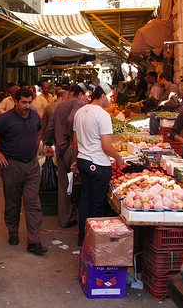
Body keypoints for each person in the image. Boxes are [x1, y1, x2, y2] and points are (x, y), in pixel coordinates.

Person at [0, 88, 47, 255]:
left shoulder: (34, 115)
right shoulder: (5, 119)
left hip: (31, 166)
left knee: (33, 204)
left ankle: (34, 241)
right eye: (23, 102)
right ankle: (13, 232)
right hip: (12, 166)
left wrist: (37, 144)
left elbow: (40, 127)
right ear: (15, 101)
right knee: (13, 202)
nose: (27, 106)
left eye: (29, 102)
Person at [71, 83, 123, 247]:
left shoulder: (80, 112)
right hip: (98, 164)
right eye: (111, 97)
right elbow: (106, 146)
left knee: (85, 200)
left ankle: (83, 239)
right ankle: (96, 242)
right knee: (98, 203)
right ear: (102, 96)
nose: (112, 100)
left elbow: (75, 140)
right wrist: (119, 159)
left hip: (83, 160)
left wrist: (76, 160)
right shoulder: (103, 115)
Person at [43, 84, 91, 228]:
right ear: (81, 94)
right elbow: (71, 120)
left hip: (60, 149)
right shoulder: (79, 103)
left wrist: (48, 143)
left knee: (64, 184)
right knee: (78, 184)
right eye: (88, 96)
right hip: (72, 148)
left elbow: (50, 126)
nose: (89, 99)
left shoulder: (61, 105)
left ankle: (65, 219)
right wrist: (71, 136)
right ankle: (82, 222)